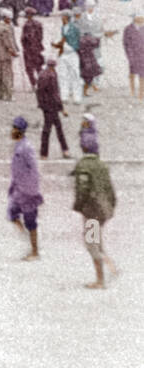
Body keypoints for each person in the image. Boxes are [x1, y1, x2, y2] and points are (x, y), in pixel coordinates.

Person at [70, 118, 117, 289]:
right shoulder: (102, 165)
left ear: (83, 147)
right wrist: (111, 207)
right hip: (104, 209)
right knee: (97, 240)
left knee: (91, 243)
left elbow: (81, 190)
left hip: (91, 210)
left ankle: (100, 280)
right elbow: (111, 191)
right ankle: (111, 267)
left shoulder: (83, 166)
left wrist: (78, 206)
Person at [7, 116, 42, 261]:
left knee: (30, 221)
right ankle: (27, 241)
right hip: (18, 190)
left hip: (28, 191)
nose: (12, 130)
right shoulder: (18, 145)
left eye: (14, 128)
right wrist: (12, 186)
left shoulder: (26, 147)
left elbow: (34, 169)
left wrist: (32, 189)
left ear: (20, 131)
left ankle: (34, 251)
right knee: (12, 214)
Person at [35, 55, 71, 159]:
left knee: (49, 129)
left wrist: (41, 104)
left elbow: (39, 91)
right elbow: (55, 94)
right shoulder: (52, 75)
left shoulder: (41, 74)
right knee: (55, 129)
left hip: (45, 106)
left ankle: (46, 153)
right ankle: (63, 151)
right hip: (52, 106)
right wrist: (62, 108)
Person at [124, 11, 144, 100]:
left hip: (142, 55)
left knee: (142, 75)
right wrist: (130, 56)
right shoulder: (128, 29)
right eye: (140, 17)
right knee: (132, 73)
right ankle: (132, 91)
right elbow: (126, 44)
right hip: (133, 55)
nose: (142, 20)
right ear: (135, 18)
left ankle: (141, 93)